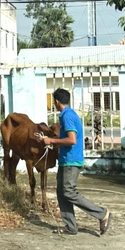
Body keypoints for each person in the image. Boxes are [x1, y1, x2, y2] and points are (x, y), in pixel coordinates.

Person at [39, 89, 112, 237]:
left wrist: (51, 140)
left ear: (57, 102)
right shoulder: (68, 115)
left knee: (68, 192)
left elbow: (72, 140)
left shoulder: (68, 117)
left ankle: (102, 213)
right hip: (66, 160)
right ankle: (70, 226)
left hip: (72, 161)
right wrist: (52, 144)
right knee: (61, 192)